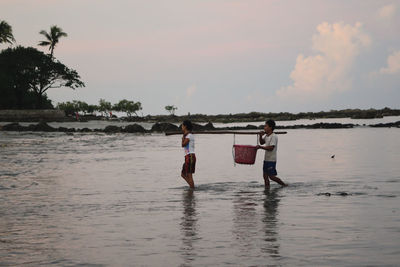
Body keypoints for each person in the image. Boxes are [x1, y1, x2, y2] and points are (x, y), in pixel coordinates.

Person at [257, 119, 287, 190]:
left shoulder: (273, 136)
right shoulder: (267, 136)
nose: (264, 127)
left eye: (266, 126)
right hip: (266, 159)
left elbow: (271, 148)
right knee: (265, 176)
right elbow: (261, 142)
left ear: (270, 127)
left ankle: (284, 185)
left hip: (271, 160)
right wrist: (260, 136)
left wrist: (260, 147)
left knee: (271, 177)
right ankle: (267, 190)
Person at [181, 120, 196, 189]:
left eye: (182, 126)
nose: (181, 127)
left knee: (189, 175)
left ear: (185, 126)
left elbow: (183, 144)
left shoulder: (189, 135)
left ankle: (192, 189)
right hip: (188, 157)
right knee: (183, 174)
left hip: (190, 156)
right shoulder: (188, 135)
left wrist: (183, 137)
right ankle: (192, 187)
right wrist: (184, 135)